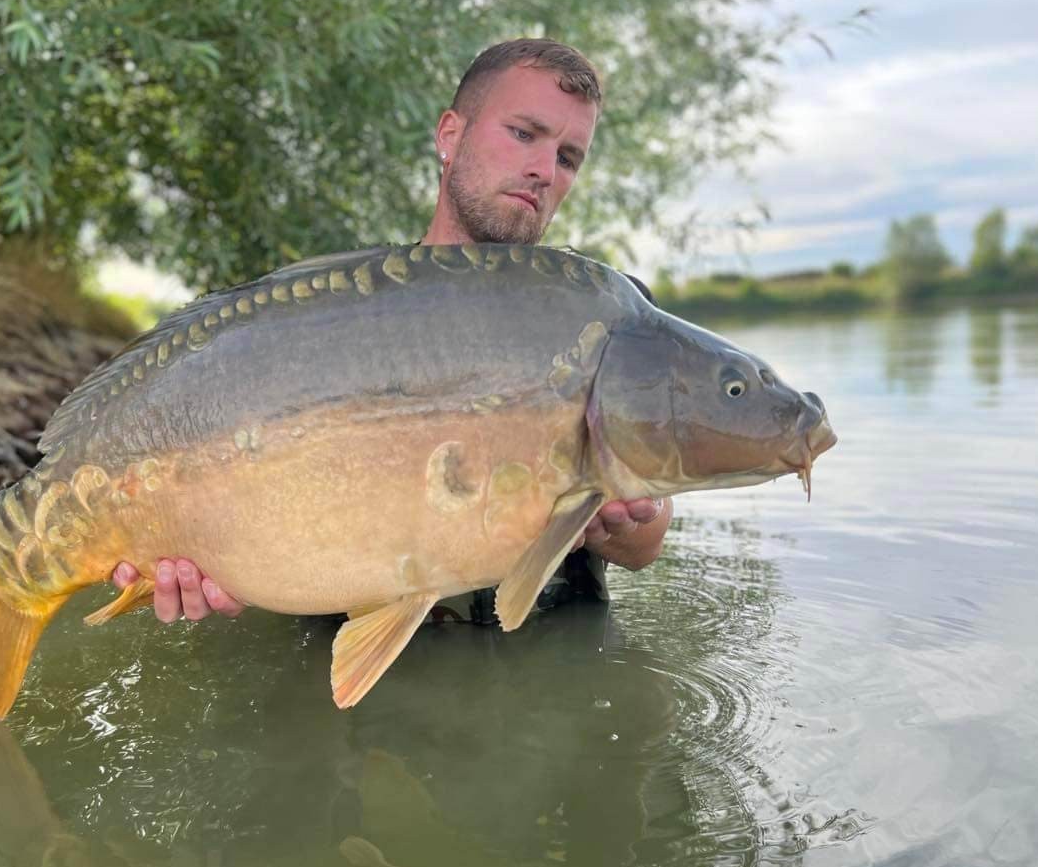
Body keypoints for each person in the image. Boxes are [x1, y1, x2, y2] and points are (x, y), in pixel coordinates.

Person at [111, 38, 673, 624]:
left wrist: (630, 516)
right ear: (450, 135)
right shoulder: (335, 312)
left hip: (554, 663)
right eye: (524, 133)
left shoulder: (602, 313)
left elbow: (647, 543)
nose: (542, 170)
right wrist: (208, 556)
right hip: (358, 669)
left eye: (568, 157)